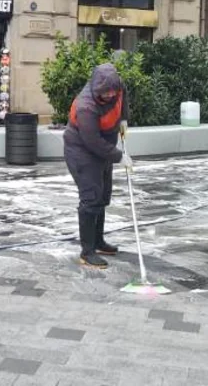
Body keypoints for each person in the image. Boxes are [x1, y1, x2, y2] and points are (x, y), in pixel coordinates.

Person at [64, 63, 131, 269]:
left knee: (102, 195)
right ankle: (87, 251)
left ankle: (98, 241)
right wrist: (119, 156)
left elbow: (123, 99)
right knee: (91, 197)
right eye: (106, 93)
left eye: (113, 91)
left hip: (103, 151)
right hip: (82, 151)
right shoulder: (86, 106)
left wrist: (124, 119)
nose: (110, 95)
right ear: (97, 89)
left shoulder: (117, 86)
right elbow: (92, 141)